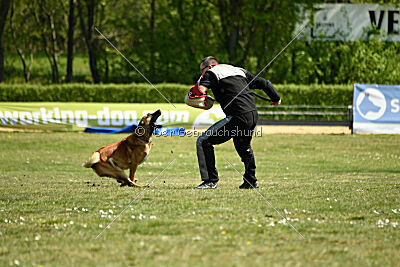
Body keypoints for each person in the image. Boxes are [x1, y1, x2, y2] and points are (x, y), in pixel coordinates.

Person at [191, 56, 281, 189]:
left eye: (202, 71)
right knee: (243, 146)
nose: (202, 75)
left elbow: (201, 90)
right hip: (252, 114)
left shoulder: (211, 72)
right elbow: (264, 83)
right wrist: (276, 98)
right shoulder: (238, 70)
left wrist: (201, 98)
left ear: (209, 67)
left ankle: (210, 181)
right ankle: (250, 181)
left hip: (237, 116)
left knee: (204, 141)